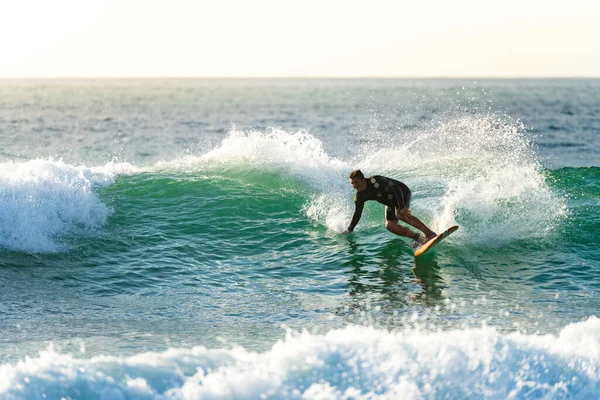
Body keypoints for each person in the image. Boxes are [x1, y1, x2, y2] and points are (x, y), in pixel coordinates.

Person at [342, 169, 437, 247]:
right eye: (352, 183)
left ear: (363, 179)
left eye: (356, 182)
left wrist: (402, 206)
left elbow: (395, 188)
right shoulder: (360, 196)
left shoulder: (375, 180)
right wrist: (350, 229)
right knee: (390, 226)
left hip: (402, 192)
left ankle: (430, 234)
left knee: (400, 214)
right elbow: (357, 213)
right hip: (391, 202)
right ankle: (420, 239)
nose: (354, 186)